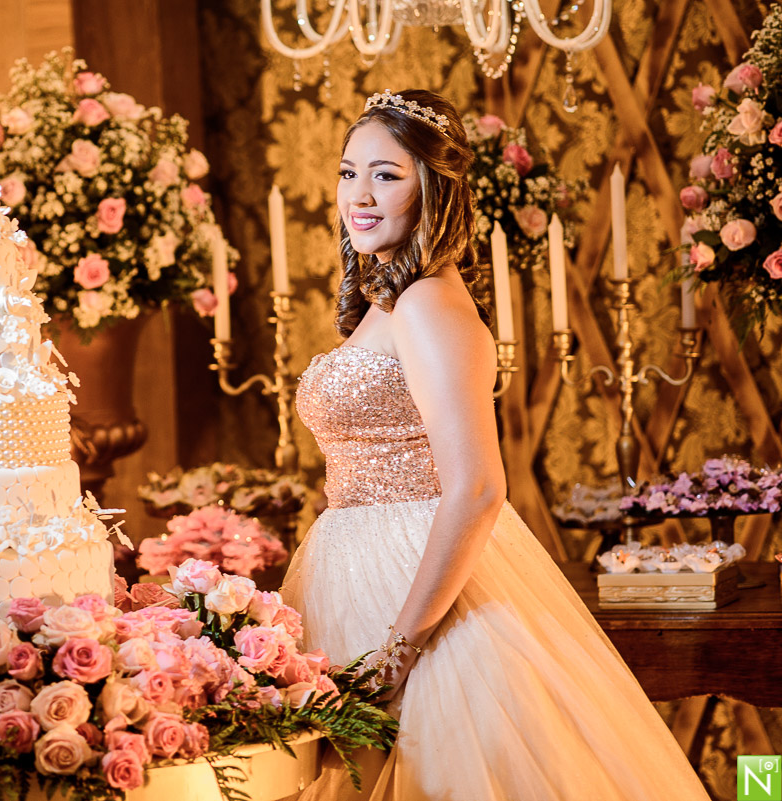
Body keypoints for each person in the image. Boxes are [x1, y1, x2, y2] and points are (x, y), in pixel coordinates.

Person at [279, 89, 709, 801]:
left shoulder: (429, 304)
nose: (359, 193)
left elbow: (478, 487)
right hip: (353, 574)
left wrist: (399, 651)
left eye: (387, 174)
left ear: (433, 189)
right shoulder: (395, 299)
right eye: (349, 171)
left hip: (412, 589)